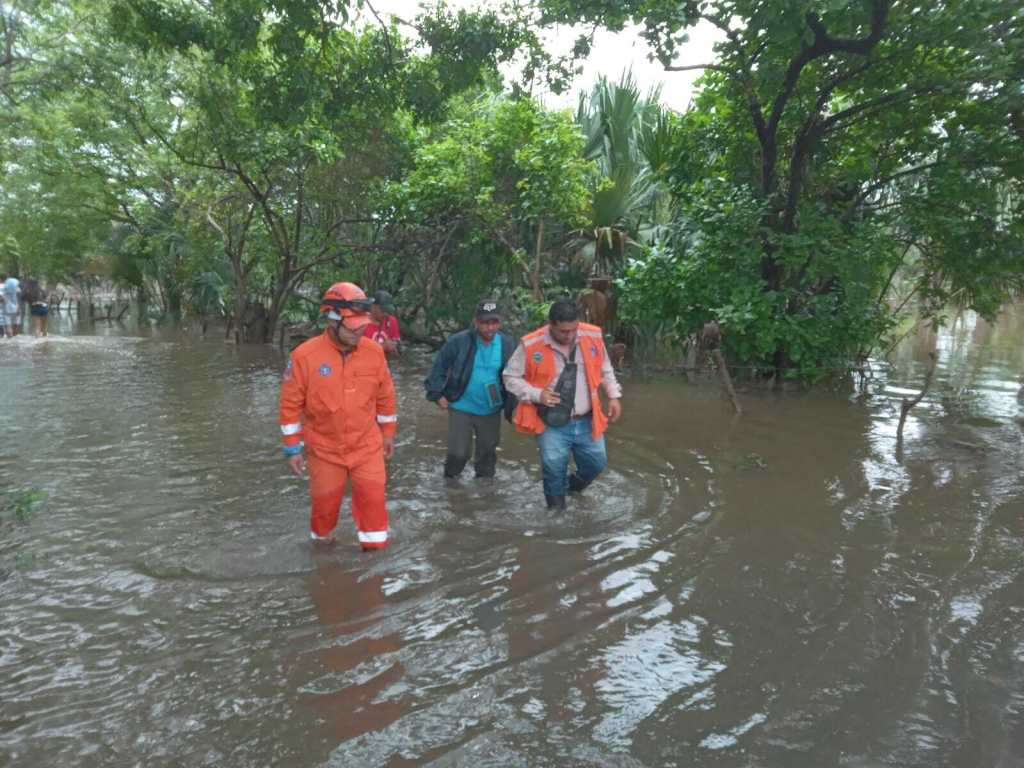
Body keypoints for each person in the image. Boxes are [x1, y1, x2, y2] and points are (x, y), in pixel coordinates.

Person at [279, 281, 398, 549]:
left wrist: (388, 433)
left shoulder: (374, 352)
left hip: (366, 446)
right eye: (353, 328)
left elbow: (385, 396)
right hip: (324, 449)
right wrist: (292, 449)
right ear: (333, 321)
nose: (359, 333)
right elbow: (290, 405)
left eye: (362, 327)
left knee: (373, 504)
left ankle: (374, 565)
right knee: (324, 509)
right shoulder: (304, 356)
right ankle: (324, 560)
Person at [503, 298, 623, 510]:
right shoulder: (531, 344)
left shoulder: (591, 335)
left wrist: (613, 395)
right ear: (551, 325)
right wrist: (537, 394)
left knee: (596, 463)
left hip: (586, 419)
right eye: (563, 332)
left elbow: (604, 367)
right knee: (553, 470)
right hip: (550, 423)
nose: (569, 336)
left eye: (573, 330)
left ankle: (571, 489)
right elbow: (510, 377)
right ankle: (556, 516)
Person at [424, 299, 516, 479]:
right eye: (485, 323)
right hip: (461, 405)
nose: (490, 328)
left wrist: (515, 405)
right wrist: (436, 394)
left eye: (494, 322)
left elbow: (516, 375)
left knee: (487, 456)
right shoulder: (459, 341)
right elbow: (439, 367)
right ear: (476, 322)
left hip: (491, 408)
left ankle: (483, 498)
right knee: (458, 454)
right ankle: (450, 487)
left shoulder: (507, 344)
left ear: (500, 322)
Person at [364, 290, 401, 357]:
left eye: (388, 310)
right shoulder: (361, 323)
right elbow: (357, 353)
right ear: (373, 307)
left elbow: (398, 352)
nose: (386, 314)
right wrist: (381, 347)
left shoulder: (392, 321)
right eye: (383, 310)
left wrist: (394, 349)